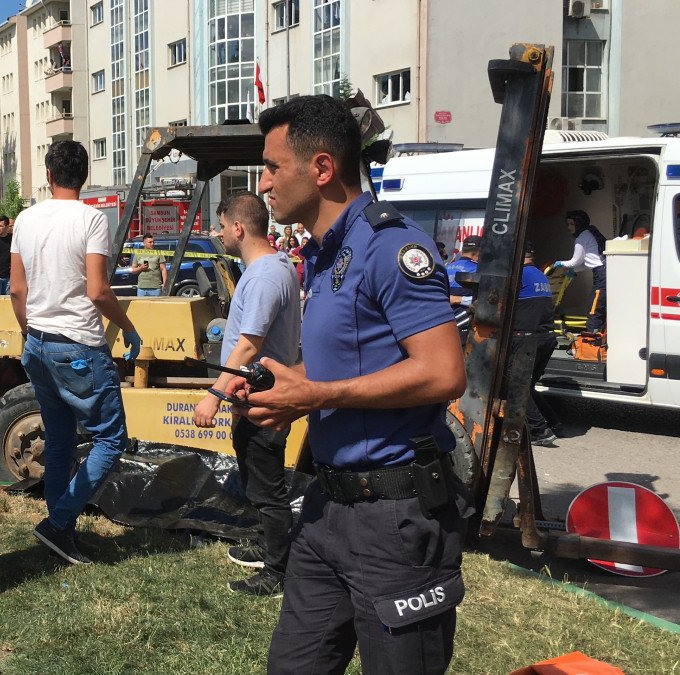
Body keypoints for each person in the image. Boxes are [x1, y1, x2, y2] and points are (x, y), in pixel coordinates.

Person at [231, 96, 468, 675]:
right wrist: (292, 389)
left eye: (272, 167)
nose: (263, 184)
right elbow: (348, 367)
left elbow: (444, 373)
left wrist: (315, 396)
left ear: (320, 168)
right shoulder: (320, 255)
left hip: (395, 517)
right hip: (326, 510)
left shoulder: (390, 247)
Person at [10, 140, 142, 565]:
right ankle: (58, 522)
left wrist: (30, 331)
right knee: (111, 437)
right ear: (83, 177)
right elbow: (99, 290)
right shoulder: (91, 219)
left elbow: (17, 289)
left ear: (49, 175)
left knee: (61, 437)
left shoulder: (25, 219)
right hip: (79, 344)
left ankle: (59, 532)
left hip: (37, 342)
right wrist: (128, 327)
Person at [194, 192, 300, 597]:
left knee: (267, 487)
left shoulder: (264, 276)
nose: (220, 234)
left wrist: (213, 396)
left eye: (222, 227)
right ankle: (265, 542)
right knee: (257, 478)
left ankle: (278, 572)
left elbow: (248, 345)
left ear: (238, 227)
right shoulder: (272, 268)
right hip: (252, 394)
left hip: (262, 396)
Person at [513, 243, 561, 447]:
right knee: (529, 385)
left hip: (527, 338)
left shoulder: (519, 275)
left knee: (516, 385)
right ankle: (554, 424)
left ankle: (539, 431)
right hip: (546, 337)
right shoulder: (540, 275)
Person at [553, 209, 607, 333]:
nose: (569, 227)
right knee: (599, 306)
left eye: (572, 224)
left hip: (602, 276)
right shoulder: (591, 233)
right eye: (567, 224)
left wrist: (560, 264)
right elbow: (589, 261)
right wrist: (574, 270)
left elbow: (575, 261)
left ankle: (593, 339)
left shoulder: (582, 238)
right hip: (603, 272)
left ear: (579, 223)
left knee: (593, 309)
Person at [446, 235, 481, 343]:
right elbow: (486, 300)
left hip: (443, 323)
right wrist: (460, 299)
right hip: (464, 324)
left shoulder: (446, 268)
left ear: (462, 252)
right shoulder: (477, 270)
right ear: (478, 254)